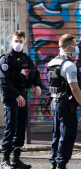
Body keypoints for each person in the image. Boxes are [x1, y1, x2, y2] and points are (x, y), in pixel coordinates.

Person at [0, 30, 43, 169]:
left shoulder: (26, 59)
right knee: (10, 128)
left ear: (24, 42)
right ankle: (5, 159)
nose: (18, 44)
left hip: (23, 97)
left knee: (21, 129)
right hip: (12, 98)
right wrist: (16, 95)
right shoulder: (5, 59)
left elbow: (34, 74)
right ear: (11, 42)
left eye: (21, 41)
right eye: (16, 41)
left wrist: (37, 85)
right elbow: (4, 82)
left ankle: (15, 158)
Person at [47, 34, 81, 169]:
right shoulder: (69, 65)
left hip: (55, 102)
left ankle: (54, 162)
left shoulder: (52, 62)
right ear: (69, 47)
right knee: (67, 135)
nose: (77, 48)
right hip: (66, 105)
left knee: (57, 134)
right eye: (75, 45)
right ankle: (61, 163)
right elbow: (75, 89)